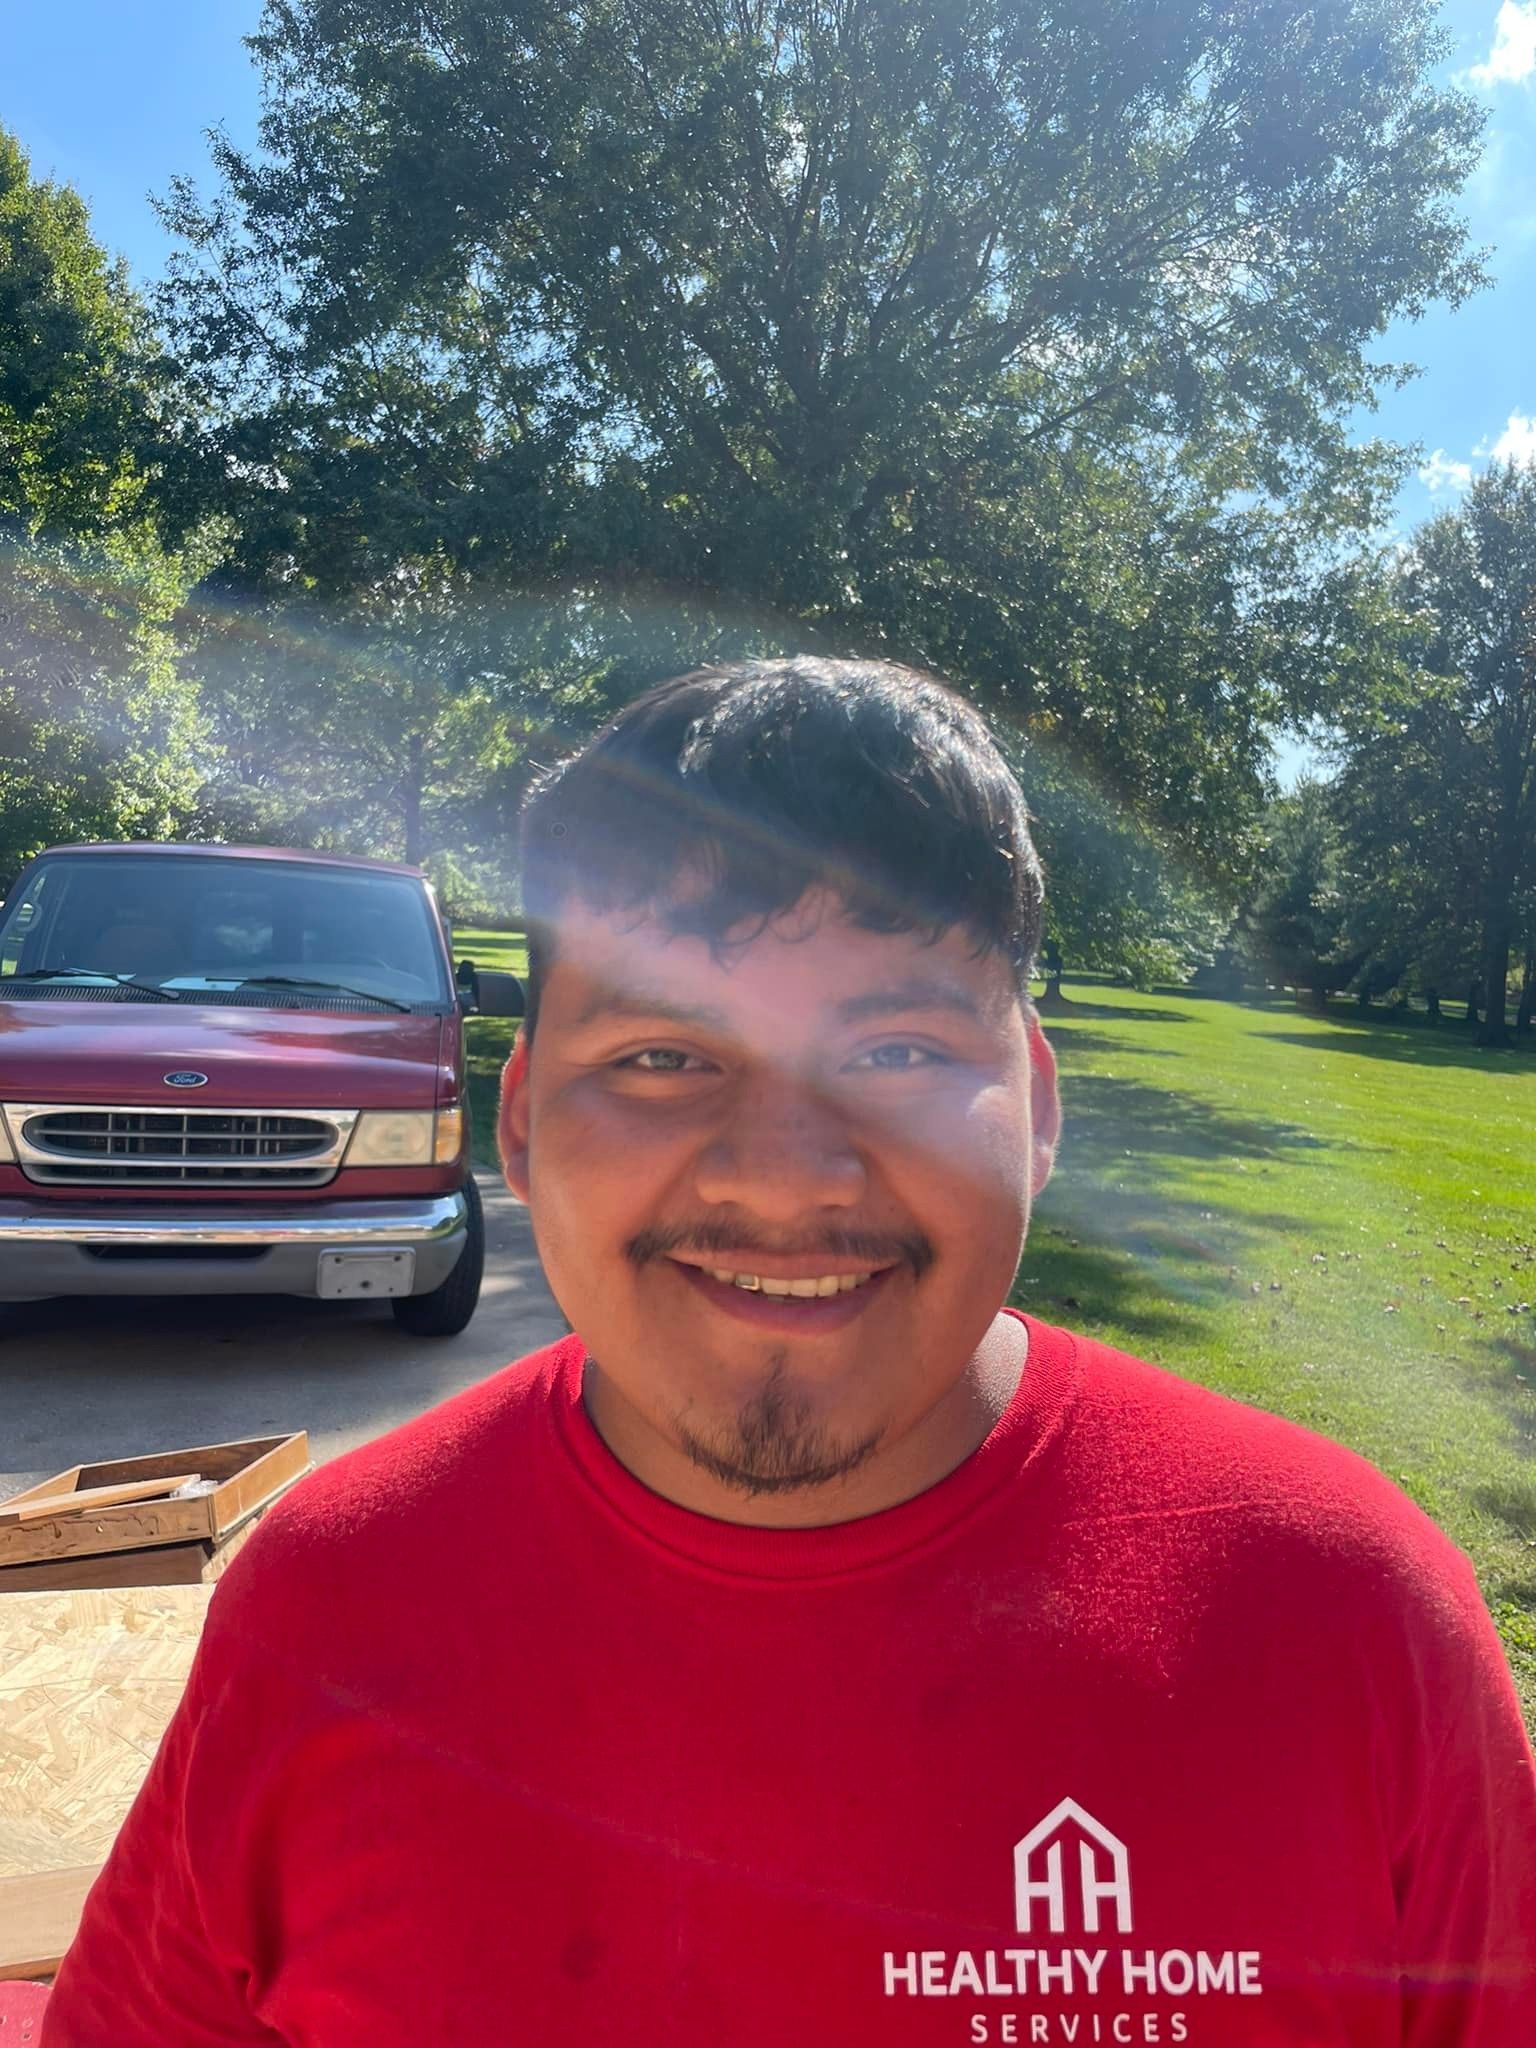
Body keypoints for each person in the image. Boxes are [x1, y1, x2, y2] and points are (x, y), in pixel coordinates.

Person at [39, 657, 1536, 2046]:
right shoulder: (332, 1601)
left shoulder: (1346, 1615)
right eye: (661, 1058)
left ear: (1044, 1107)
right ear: (514, 1122)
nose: (786, 1175)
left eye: (897, 1053)